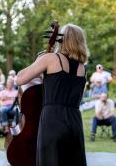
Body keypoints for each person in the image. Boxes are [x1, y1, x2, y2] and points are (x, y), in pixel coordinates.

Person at [16, 23, 88, 166]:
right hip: (75, 121)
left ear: (62, 40)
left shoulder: (51, 59)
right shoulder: (82, 68)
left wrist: (39, 60)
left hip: (53, 120)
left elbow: (20, 79)